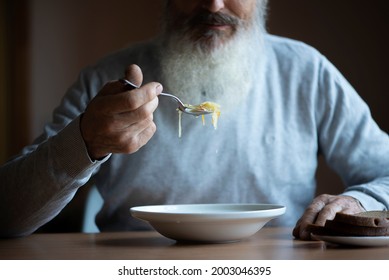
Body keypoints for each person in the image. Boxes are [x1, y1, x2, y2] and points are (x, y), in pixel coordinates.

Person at [0, 0, 388, 240]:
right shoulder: (108, 80)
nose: (214, 4)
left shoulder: (306, 72)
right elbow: (8, 215)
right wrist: (84, 142)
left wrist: (358, 200)